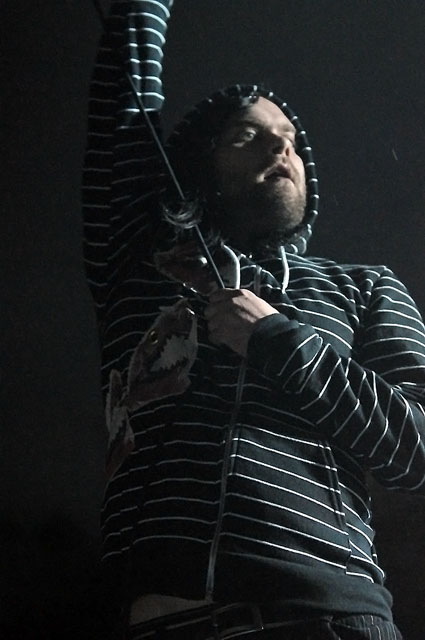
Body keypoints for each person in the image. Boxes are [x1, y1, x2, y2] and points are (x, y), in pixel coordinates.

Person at [83, 1, 425, 639]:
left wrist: (275, 340)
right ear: (198, 168)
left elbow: (417, 447)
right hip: (165, 621)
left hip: (329, 617)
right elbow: (124, 123)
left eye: (290, 138)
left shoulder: (364, 288)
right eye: (247, 134)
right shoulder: (138, 269)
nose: (281, 145)